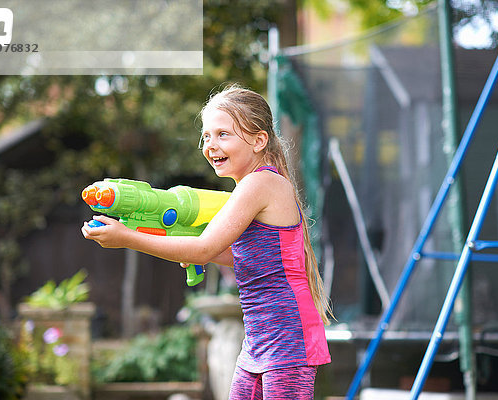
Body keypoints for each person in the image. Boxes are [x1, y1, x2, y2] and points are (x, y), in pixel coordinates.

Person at [82, 84, 332, 399]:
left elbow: (204, 247)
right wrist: (205, 253)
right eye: (206, 136)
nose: (211, 145)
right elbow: (247, 254)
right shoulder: (253, 186)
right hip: (261, 338)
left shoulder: (260, 183)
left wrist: (127, 237)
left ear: (258, 140)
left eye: (223, 134)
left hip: (287, 338)